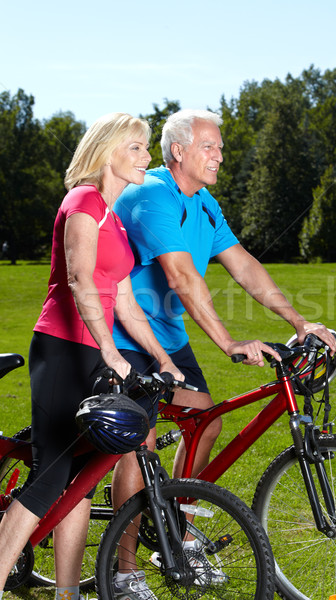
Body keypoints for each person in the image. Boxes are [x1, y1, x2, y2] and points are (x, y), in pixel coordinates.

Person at [111, 108, 336, 577]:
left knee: (204, 423)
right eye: (208, 146)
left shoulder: (204, 203)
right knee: (143, 444)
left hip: (168, 337)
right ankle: (125, 570)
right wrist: (229, 341)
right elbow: (181, 276)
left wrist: (298, 322)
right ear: (179, 151)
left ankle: (179, 537)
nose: (220, 155)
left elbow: (244, 266)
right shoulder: (153, 193)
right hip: (126, 333)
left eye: (220, 146)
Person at [0, 113, 181, 600]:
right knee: (51, 476)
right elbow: (79, 280)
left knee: (82, 475)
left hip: (94, 352)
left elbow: (125, 304)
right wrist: (109, 350)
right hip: (62, 347)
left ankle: (66, 593)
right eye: (138, 147)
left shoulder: (114, 217)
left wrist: (162, 359)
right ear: (109, 151)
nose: (148, 157)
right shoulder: (83, 201)